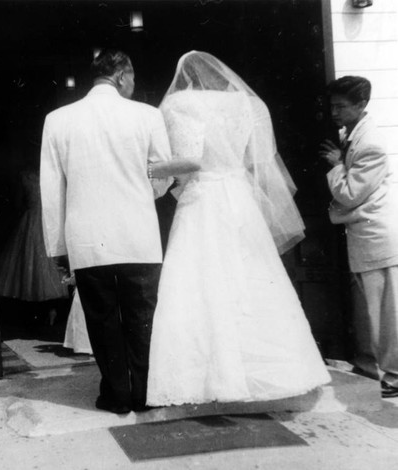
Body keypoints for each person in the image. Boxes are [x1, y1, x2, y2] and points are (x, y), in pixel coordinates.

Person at [147, 51, 331, 407]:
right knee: (250, 277)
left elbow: (190, 159)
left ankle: (206, 378)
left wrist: (159, 173)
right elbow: (254, 161)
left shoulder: (179, 103)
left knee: (199, 281)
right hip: (238, 196)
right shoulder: (246, 104)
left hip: (203, 198)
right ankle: (280, 371)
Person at [40, 49, 198, 414]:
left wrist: (57, 247)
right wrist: (145, 190)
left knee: (102, 321)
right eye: (133, 78)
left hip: (87, 238)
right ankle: (142, 393)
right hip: (138, 236)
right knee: (141, 320)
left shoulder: (58, 119)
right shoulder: (147, 115)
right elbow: (161, 175)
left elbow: (52, 191)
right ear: (123, 75)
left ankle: (116, 394)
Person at [320, 76, 398, 399]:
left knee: (387, 313)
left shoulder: (372, 144)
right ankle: (375, 368)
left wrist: (337, 166)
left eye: (341, 107)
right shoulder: (352, 135)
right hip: (365, 236)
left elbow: (350, 192)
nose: (335, 113)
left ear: (361, 105)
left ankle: (393, 377)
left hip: (378, 238)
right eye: (333, 106)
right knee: (374, 311)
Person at [0, 165, 68, 324]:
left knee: (30, 264)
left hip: (31, 221)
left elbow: (17, 203)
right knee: (45, 264)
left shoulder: (25, 175)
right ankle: (49, 311)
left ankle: (34, 314)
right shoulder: (54, 172)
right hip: (49, 221)